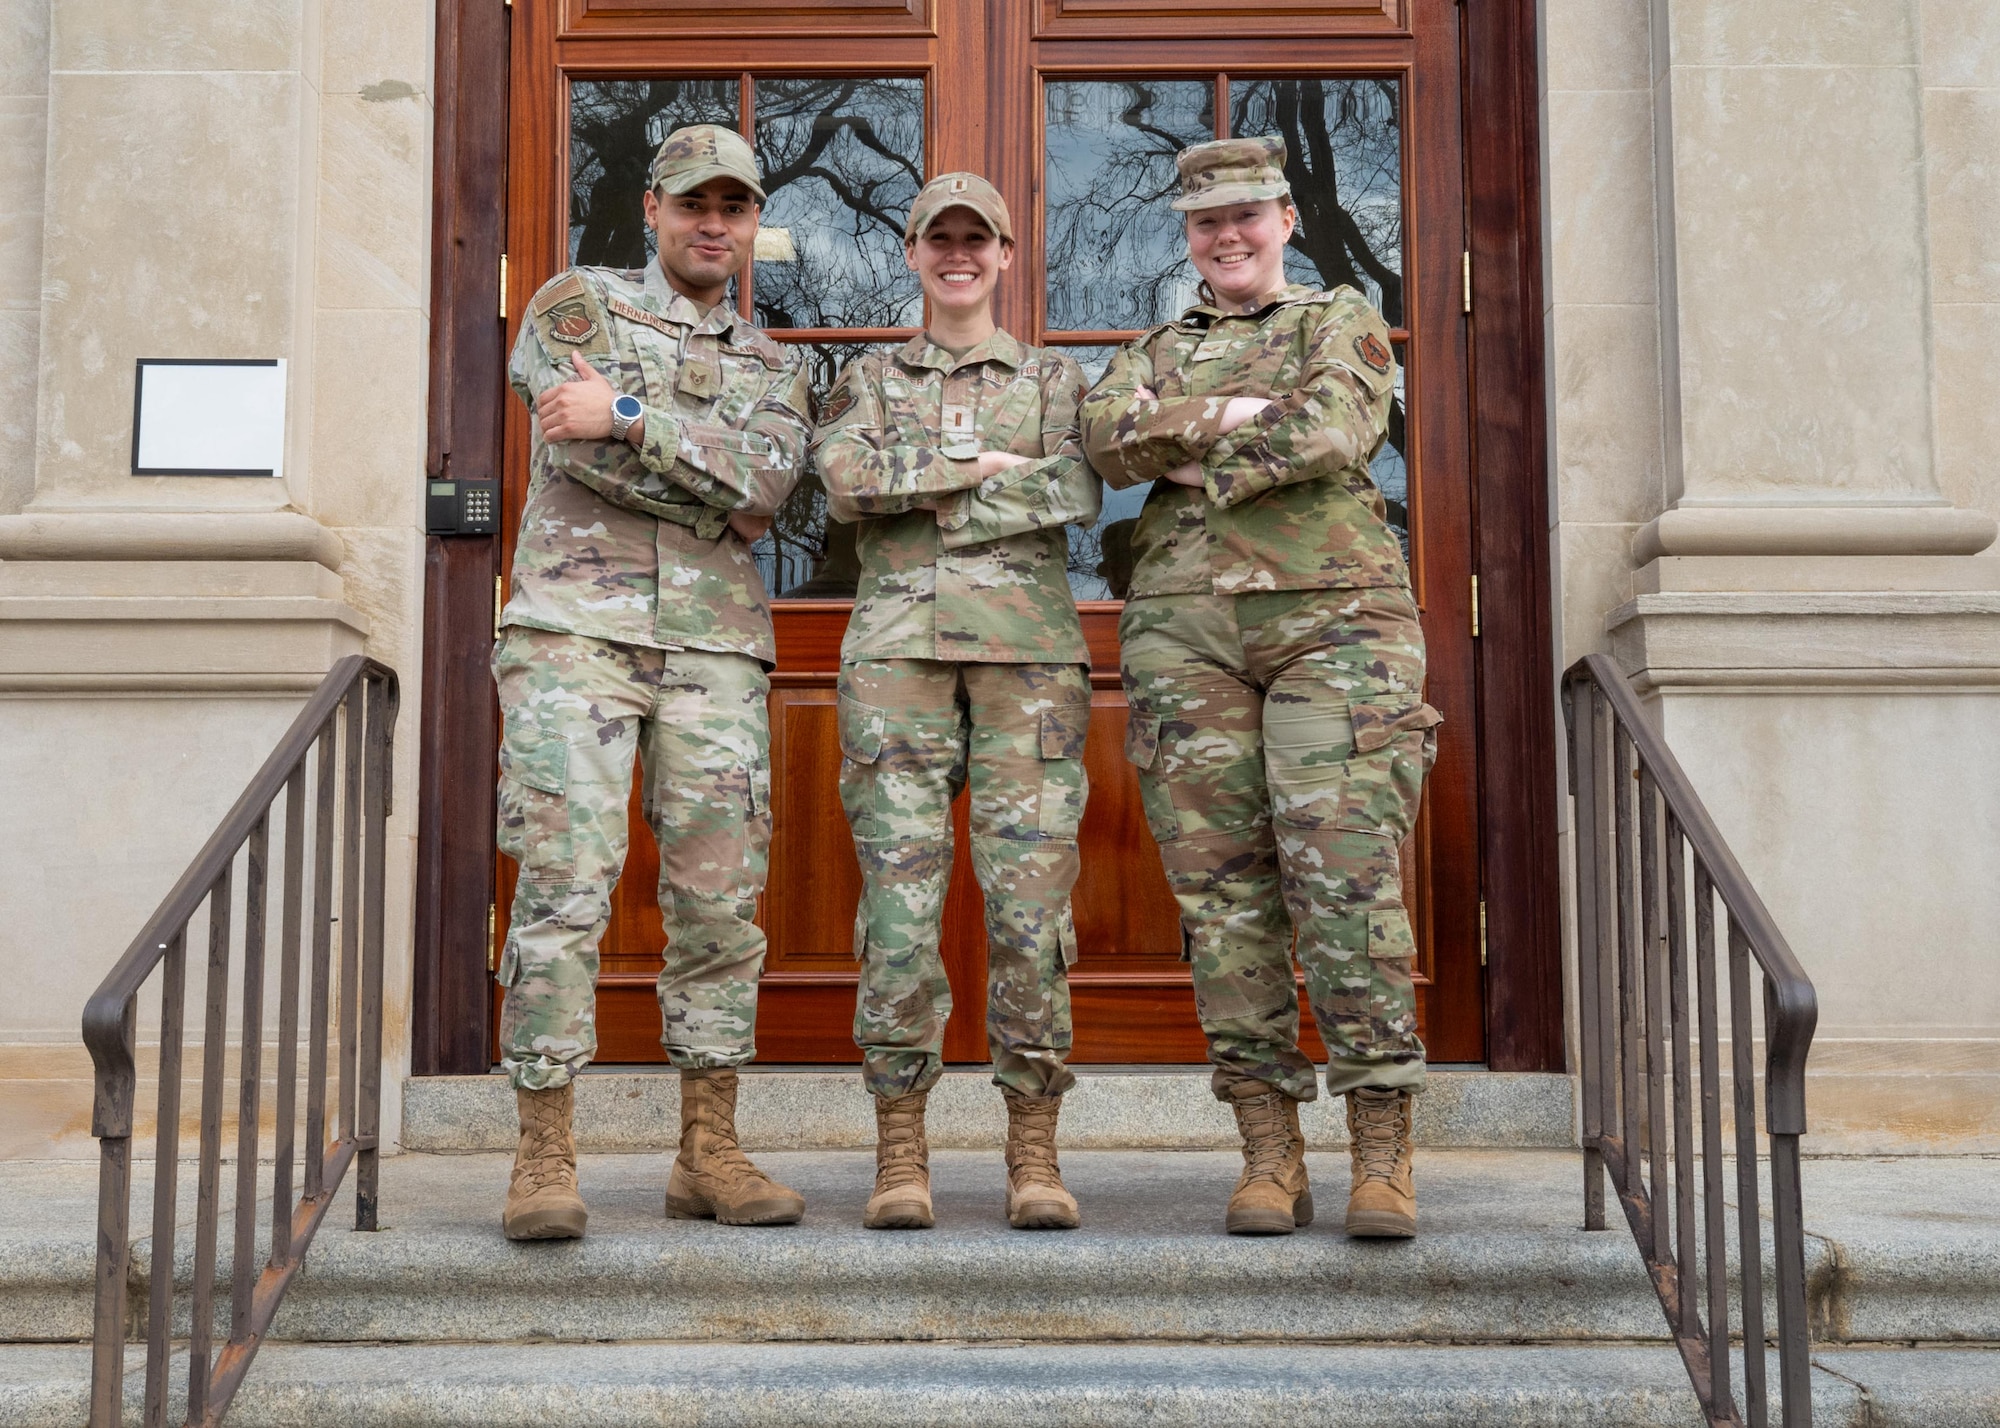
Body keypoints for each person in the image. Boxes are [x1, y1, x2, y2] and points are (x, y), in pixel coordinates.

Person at [1079, 136, 1442, 1239]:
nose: (1226, 236)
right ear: (1184, 235)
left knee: (1340, 880)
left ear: (1284, 217)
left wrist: (1190, 443)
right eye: (1203, 222)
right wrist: (1243, 419)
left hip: (1335, 624)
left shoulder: (1339, 319)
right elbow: (1102, 438)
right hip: (1183, 636)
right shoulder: (1148, 342)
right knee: (1222, 902)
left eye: (1245, 215)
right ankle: (1266, 1151)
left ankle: (1379, 1147)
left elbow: (1339, 422)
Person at [495, 125, 811, 1240]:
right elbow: (566, 445)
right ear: (654, 209)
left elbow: (769, 486)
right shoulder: (575, 303)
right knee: (564, 886)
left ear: (752, 222)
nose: (713, 224)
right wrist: (703, 476)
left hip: (715, 652)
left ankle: (707, 1151)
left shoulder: (780, 366)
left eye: (733, 207)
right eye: (694, 205)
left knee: (719, 905)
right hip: (572, 636)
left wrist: (631, 416)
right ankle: (542, 1156)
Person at [814, 173, 1103, 1232]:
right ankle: (901, 1149)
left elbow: (1076, 487)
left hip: (1028, 662)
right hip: (896, 656)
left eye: (975, 239)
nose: (957, 256)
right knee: (897, 914)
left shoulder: (1056, 378)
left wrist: (926, 486)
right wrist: (976, 467)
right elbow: (841, 480)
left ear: (1006, 254)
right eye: (939, 238)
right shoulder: (866, 375)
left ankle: (1033, 1149)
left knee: (1030, 914)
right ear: (909, 252)